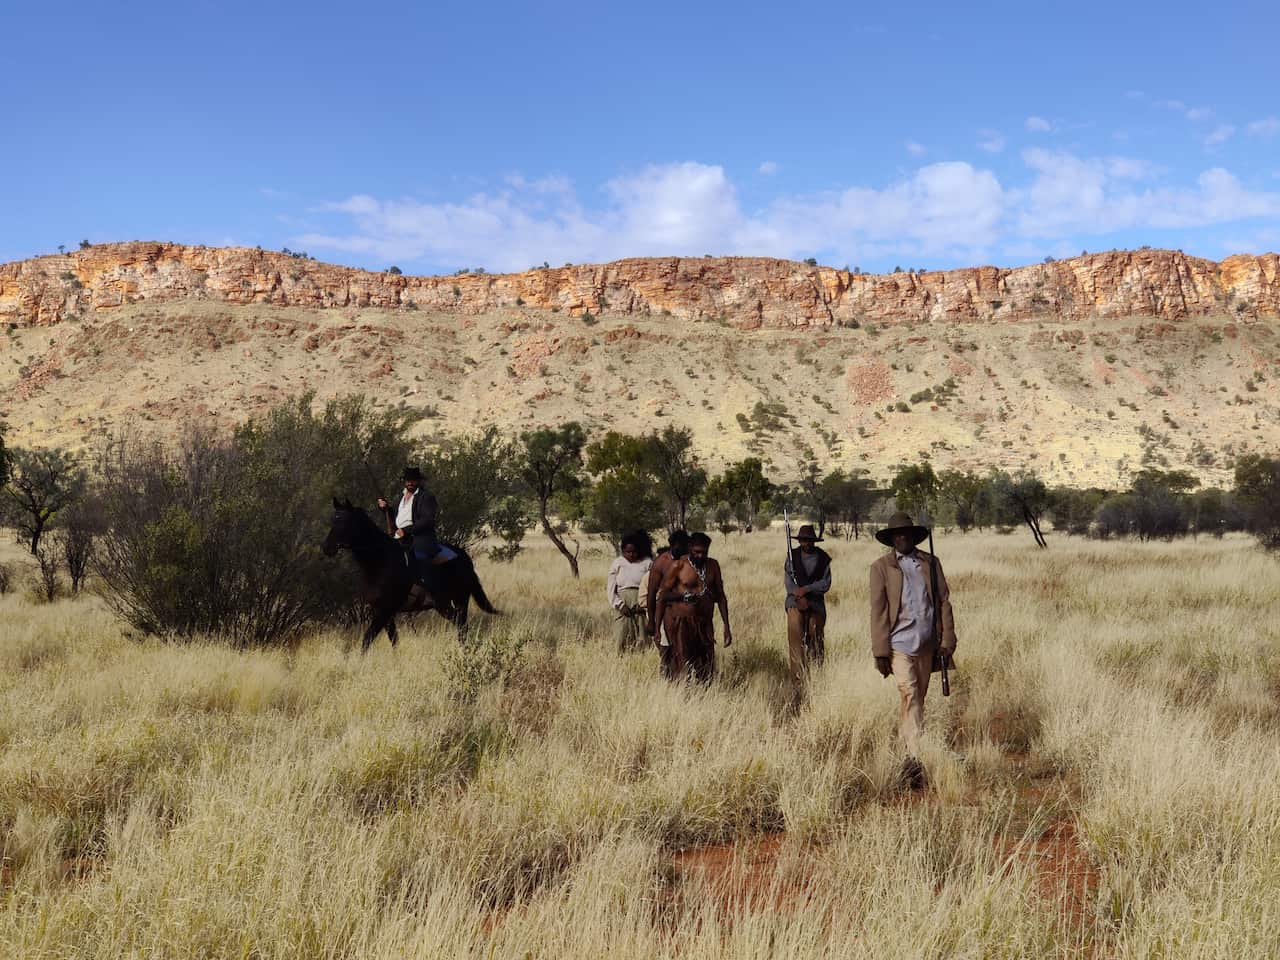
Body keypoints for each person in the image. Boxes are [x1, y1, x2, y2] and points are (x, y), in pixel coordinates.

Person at [869, 511, 957, 788]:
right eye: (897, 534)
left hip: (927, 642)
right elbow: (878, 610)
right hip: (899, 644)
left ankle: (909, 744)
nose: (901, 538)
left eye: (905, 533)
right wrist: (880, 651)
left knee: (917, 697)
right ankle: (914, 757)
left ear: (913, 536)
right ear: (891, 538)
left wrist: (948, 640)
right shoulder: (881, 567)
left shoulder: (930, 563)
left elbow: (943, 601)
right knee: (908, 692)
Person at [654, 531, 731, 683]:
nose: (700, 556)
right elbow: (662, 596)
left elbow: (721, 597)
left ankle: (705, 697)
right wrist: (657, 628)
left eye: (704, 552)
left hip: (704, 623)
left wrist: (726, 626)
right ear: (689, 548)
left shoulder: (713, 566)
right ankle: (684, 697)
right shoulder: (678, 566)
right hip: (682, 623)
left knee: (706, 664)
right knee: (683, 663)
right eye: (696, 552)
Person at [785, 524, 832, 693]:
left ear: (814, 541)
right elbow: (789, 581)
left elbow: (825, 583)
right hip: (794, 602)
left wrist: (806, 590)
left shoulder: (823, 558)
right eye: (804, 540)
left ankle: (817, 676)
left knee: (815, 637)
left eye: (809, 541)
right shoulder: (792, 556)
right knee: (795, 637)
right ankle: (797, 681)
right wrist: (798, 596)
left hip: (815, 603)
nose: (806, 544)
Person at [377, 467, 441, 591]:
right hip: (400, 538)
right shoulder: (400, 497)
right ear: (404, 481)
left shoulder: (426, 497)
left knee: (420, 558)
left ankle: (429, 591)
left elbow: (427, 520)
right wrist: (385, 509)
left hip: (419, 537)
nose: (410, 483)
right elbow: (396, 516)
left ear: (419, 481)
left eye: (413, 480)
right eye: (407, 480)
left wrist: (406, 530)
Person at [647, 530, 690, 677]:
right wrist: (652, 622)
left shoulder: (692, 560)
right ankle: (669, 678)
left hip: (689, 612)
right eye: (680, 547)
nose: (683, 550)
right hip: (667, 611)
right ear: (671, 546)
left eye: (685, 547)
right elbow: (652, 594)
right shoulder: (660, 563)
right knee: (668, 648)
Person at [608, 531, 653, 653]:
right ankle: (622, 661)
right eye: (628, 552)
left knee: (643, 636)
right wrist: (620, 605)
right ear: (623, 551)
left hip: (642, 602)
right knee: (622, 635)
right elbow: (611, 589)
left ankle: (641, 663)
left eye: (634, 552)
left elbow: (652, 586)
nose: (631, 555)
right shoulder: (618, 563)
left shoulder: (647, 563)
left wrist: (644, 604)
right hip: (623, 603)